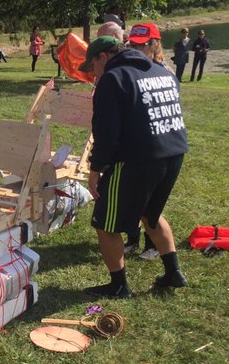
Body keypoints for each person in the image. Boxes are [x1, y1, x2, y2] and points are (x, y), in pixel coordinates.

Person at [79, 35, 188, 298]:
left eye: (92, 66)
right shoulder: (160, 71)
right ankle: (173, 272)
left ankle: (118, 285)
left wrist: (95, 170)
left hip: (138, 159)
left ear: (103, 57)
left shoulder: (113, 79)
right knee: (150, 213)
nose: (93, 73)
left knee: (105, 224)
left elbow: (106, 133)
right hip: (173, 152)